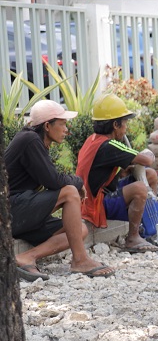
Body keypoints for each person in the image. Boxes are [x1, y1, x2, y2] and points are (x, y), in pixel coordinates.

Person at [4, 100, 115, 280]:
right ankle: (80, 260)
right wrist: (78, 182)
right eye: (62, 124)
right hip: (10, 212)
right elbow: (54, 181)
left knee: (80, 230)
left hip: (20, 213)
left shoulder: (37, 142)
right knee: (70, 192)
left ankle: (27, 257)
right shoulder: (29, 140)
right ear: (47, 126)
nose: (66, 129)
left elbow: (52, 179)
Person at [76, 94, 158, 253]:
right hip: (95, 205)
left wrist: (125, 170)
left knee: (150, 175)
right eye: (125, 123)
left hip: (94, 196)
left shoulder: (94, 140)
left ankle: (150, 224)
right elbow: (147, 160)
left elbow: (106, 174)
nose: (126, 127)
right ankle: (133, 237)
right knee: (140, 188)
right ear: (115, 124)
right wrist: (149, 153)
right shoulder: (109, 145)